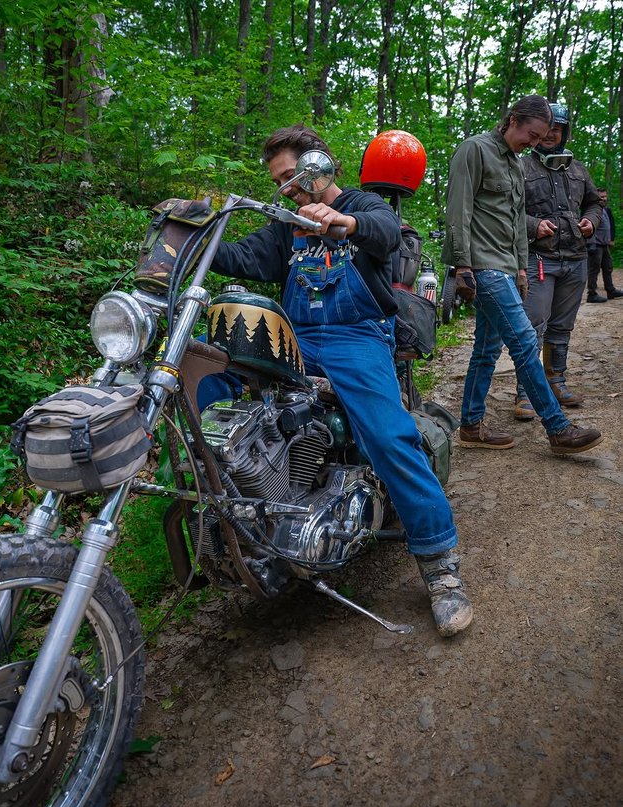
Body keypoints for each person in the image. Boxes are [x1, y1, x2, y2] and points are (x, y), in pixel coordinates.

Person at [211, 124, 473, 637]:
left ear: (317, 164)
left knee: (388, 435)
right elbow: (244, 258)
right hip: (296, 336)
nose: (286, 188)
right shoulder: (284, 226)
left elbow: (385, 234)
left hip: (355, 336)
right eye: (279, 182)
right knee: (221, 381)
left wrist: (343, 221)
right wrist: (193, 230)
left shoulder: (364, 204)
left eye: (291, 176)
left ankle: (441, 567)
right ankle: (239, 521)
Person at [442, 94, 603, 455]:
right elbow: (458, 209)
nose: (534, 143)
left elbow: (516, 222)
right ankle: (558, 428)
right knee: (526, 342)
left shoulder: (516, 163)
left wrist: (520, 267)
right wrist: (461, 265)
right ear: (513, 119)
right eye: (531, 135)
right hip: (481, 265)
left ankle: (470, 425)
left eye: (540, 137)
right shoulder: (475, 150)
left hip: (505, 265)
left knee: (485, 350)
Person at [514, 103, 601, 420]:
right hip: (540, 259)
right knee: (532, 326)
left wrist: (591, 221)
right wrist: (533, 225)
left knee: (562, 327)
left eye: (558, 129)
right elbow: (507, 211)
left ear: (564, 132)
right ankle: (525, 393)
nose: (551, 134)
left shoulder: (578, 169)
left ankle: (556, 381)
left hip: (576, 259)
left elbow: (594, 203)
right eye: (547, 128)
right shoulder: (521, 167)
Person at [587, 188, 623, 302]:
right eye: (601, 197)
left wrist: (610, 240)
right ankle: (591, 294)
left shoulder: (606, 210)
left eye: (605, 196)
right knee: (594, 269)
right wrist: (590, 245)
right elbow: (589, 228)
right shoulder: (591, 211)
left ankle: (610, 290)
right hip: (596, 245)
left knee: (608, 267)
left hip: (604, 245)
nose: (604, 199)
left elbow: (610, 226)